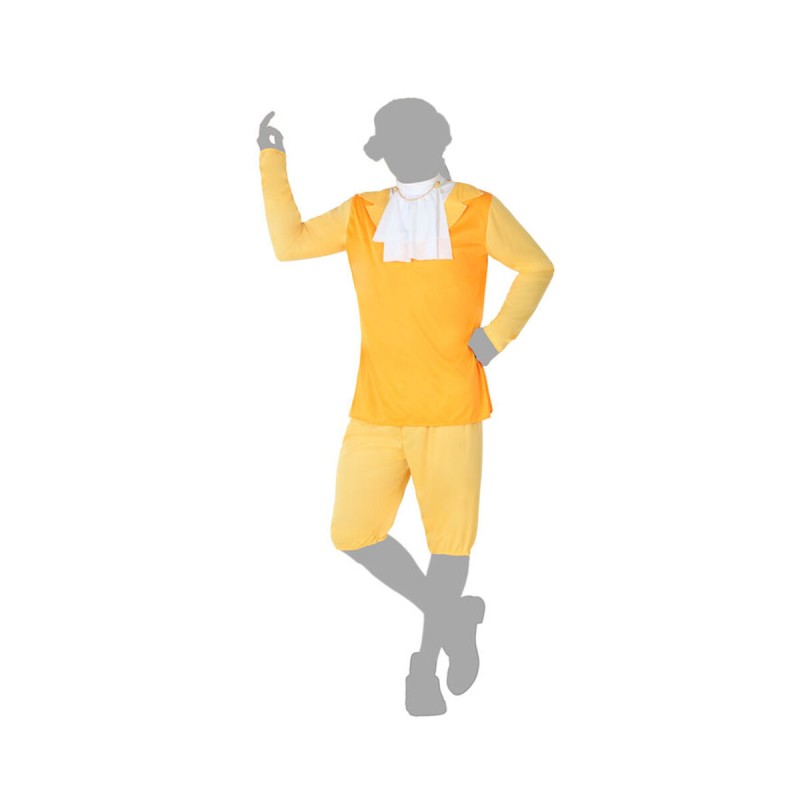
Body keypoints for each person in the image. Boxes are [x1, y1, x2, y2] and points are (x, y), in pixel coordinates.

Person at [257, 98, 554, 716]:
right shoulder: (363, 214)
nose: (400, 154)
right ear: (383, 153)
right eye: (391, 145)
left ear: (440, 144)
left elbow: (536, 266)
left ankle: (423, 670)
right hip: (376, 409)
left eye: (410, 142)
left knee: (448, 546)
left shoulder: (477, 207)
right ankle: (455, 620)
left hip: (452, 408)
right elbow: (290, 244)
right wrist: (271, 160)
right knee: (351, 532)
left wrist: (496, 338)